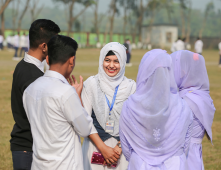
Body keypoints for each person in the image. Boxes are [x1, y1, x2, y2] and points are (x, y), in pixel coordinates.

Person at [23, 35, 93, 170]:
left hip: (38, 165)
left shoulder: (30, 90)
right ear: (72, 60)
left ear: (47, 59)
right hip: (65, 165)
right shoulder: (66, 92)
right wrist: (77, 98)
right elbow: (85, 129)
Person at [119, 49, 193, 170]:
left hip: (140, 164)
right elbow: (185, 145)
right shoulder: (183, 106)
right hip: (174, 164)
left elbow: (126, 147)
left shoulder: (130, 106)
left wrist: (138, 157)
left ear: (143, 72)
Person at [10, 19, 60, 170]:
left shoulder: (22, 65)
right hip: (29, 148)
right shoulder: (34, 76)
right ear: (44, 46)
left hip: (23, 145)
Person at [82, 42, 136, 170]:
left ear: (123, 63)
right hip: (95, 147)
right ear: (101, 61)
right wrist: (103, 149)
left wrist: (119, 147)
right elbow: (85, 121)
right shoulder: (91, 84)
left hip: (121, 151)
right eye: (107, 60)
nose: (111, 65)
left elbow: (134, 122)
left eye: (116, 61)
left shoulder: (131, 87)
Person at [171, 50, 216, 170]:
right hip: (195, 152)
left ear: (184, 73)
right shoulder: (201, 95)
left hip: (184, 155)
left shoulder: (185, 100)